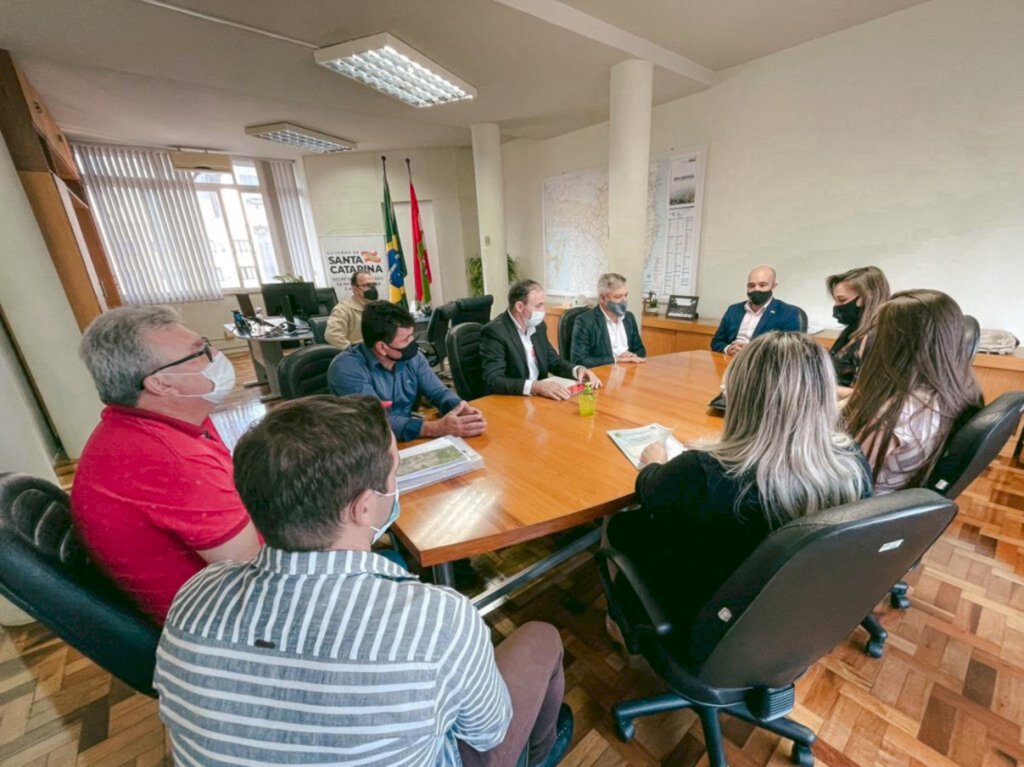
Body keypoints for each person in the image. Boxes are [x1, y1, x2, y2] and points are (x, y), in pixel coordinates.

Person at [155, 395, 574, 766]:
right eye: (395, 471)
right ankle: (539, 753)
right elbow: (488, 732)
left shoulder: (194, 595)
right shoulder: (439, 619)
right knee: (541, 637)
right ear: (364, 507)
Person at [606, 332, 871, 639]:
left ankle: (618, 623)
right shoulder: (851, 461)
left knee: (621, 526)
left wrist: (654, 460)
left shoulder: (701, 471)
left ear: (741, 395)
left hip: (705, 615)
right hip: (788, 618)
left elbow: (648, 489)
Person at [71, 306, 260, 623]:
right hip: (225, 621)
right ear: (162, 385)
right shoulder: (170, 460)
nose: (216, 355)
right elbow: (257, 572)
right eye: (200, 352)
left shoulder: (160, 426)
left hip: (218, 597)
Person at [844, 289, 983, 494]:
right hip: (899, 492)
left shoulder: (888, 418)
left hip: (858, 504)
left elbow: (841, 482)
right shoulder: (957, 389)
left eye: (878, 331)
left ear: (892, 344)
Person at [328, 300, 486, 441]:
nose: (413, 344)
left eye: (412, 336)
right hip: (367, 443)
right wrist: (435, 428)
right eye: (405, 339)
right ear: (382, 347)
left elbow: (438, 392)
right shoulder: (347, 368)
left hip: (408, 434)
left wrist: (459, 408)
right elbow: (376, 421)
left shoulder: (412, 357)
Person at [481, 279, 602, 399]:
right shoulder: (495, 332)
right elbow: (494, 380)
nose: (543, 311)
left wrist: (577, 370)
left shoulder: (538, 327)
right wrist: (535, 386)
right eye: (538, 306)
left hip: (539, 398)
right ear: (519, 307)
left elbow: (553, 361)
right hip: (513, 400)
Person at [710, 265, 805, 356]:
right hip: (730, 361)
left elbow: (790, 350)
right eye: (751, 286)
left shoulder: (788, 312)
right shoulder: (733, 310)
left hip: (762, 366)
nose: (756, 289)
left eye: (762, 285)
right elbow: (716, 342)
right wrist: (728, 349)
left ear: (773, 286)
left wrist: (751, 351)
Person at [827, 266, 891, 395]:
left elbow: (868, 396)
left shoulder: (877, 339)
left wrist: (820, 389)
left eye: (842, 300)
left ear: (868, 298)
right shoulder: (852, 330)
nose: (836, 307)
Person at [570, 272, 647, 368]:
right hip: (601, 377)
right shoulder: (585, 321)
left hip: (628, 373)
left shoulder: (629, 318)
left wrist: (631, 355)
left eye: (626, 295)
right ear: (603, 299)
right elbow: (579, 361)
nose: (624, 300)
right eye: (618, 297)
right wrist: (616, 359)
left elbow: (640, 350)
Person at [325, 268, 378, 350]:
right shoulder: (343, 309)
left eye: (373, 285)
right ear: (355, 289)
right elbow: (332, 335)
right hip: (358, 354)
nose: (372, 289)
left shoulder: (379, 307)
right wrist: (353, 351)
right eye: (366, 285)